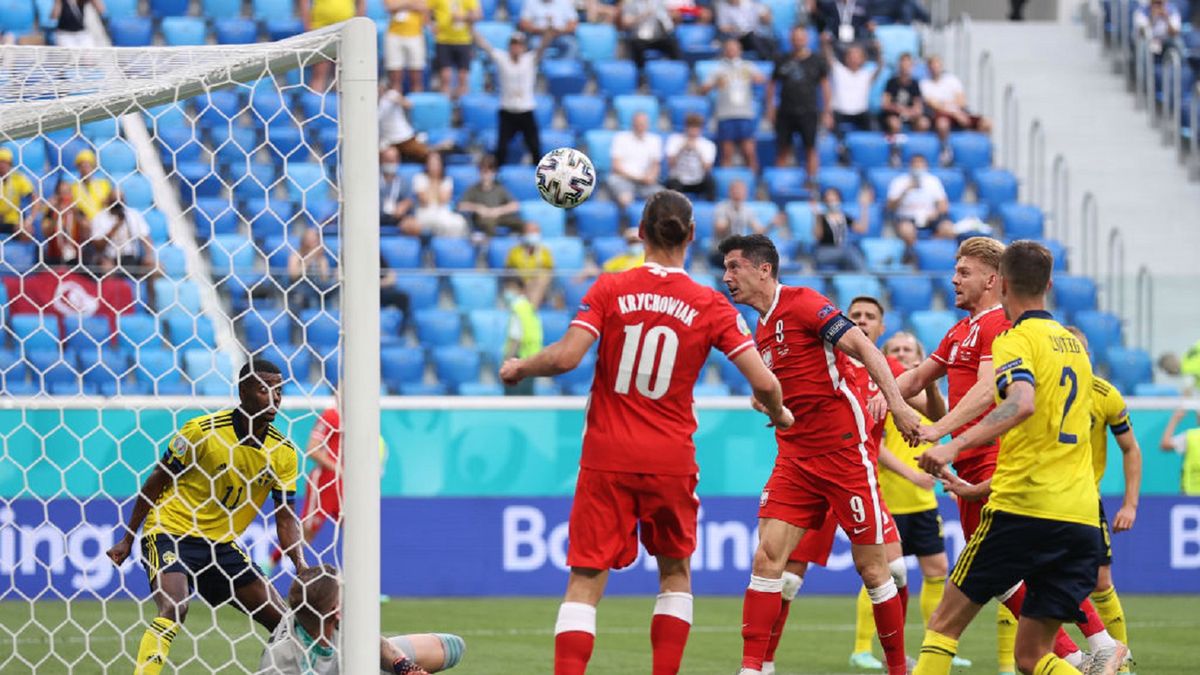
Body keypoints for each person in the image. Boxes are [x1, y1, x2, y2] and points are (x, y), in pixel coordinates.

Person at [499, 190, 791, 675]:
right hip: (670, 458)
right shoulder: (710, 304)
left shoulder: (610, 288)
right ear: (692, 235)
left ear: (640, 232)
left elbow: (568, 357)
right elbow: (764, 381)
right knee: (675, 572)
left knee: (586, 578)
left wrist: (521, 367)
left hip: (606, 455)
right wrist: (778, 412)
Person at [883, 237, 1120, 672]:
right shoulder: (1070, 347)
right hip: (1069, 503)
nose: (953, 278)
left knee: (948, 619)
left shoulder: (1008, 333)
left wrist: (945, 436)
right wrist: (870, 401)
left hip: (1010, 486)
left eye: (964, 272)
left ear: (999, 282)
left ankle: (1096, 646)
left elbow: (1005, 396)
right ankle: (1094, 650)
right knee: (1029, 647)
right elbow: (917, 380)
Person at [718, 234, 922, 675]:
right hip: (795, 457)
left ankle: (897, 669)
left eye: (734, 266)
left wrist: (900, 405)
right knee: (767, 559)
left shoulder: (805, 303)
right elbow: (779, 387)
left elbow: (866, 349)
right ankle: (753, 668)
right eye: (726, 268)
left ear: (763, 269)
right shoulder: (760, 326)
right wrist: (771, 403)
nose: (727, 276)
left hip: (844, 454)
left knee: (874, 570)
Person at [754, 300, 948, 675]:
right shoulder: (820, 358)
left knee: (894, 572)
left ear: (880, 327)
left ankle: (896, 660)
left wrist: (931, 384)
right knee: (788, 579)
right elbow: (763, 390)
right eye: (854, 316)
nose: (860, 321)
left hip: (857, 480)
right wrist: (773, 407)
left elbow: (935, 414)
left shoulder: (889, 372)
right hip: (812, 479)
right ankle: (764, 661)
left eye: (869, 317)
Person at [105, 360, 306, 675]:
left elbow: (285, 519)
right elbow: (156, 482)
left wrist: (302, 567)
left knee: (286, 625)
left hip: (222, 546)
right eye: (264, 388)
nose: (274, 398)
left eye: (279, 390)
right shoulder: (202, 431)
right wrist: (128, 538)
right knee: (174, 608)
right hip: (171, 531)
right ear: (243, 392)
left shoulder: (284, 452)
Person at [1063, 326, 1142, 661]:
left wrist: (1130, 504)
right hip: (1039, 498)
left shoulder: (1105, 394)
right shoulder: (1037, 391)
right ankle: (1013, 664)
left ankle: (1118, 662)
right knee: (1025, 578)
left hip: (1083, 501)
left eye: (1079, 350)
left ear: (1089, 355)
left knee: (1100, 581)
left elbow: (1131, 449)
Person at [257, 564, 466, 674]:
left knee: (450, 647)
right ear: (335, 611)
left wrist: (407, 668)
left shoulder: (328, 613)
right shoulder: (282, 663)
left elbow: (377, 644)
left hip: (355, 663)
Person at [476, 30, 547, 166]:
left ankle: (539, 179)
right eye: (514, 44)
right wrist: (472, 29)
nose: (516, 48)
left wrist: (549, 31)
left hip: (526, 110)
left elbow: (543, 46)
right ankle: (497, 178)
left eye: (519, 45)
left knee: (535, 147)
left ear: (524, 47)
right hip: (507, 111)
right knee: (501, 148)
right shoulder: (503, 58)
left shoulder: (529, 59)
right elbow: (485, 46)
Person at [768, 27, 830, 178]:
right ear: (791, 40)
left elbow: (825, 87)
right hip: (785, 112)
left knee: (810, 149)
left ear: (807, 39)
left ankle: (811, 184)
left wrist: (827, 111)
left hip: (809, 111)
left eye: (801, 37)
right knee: (782, 149)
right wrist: (769, 108)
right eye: (795, 37)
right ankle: (779, 181)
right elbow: (772, 85)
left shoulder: (817, 61)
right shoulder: (782, 59)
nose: (798, 40)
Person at [702, 39, 766, 172]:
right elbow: (704, 89)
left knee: (749, 152)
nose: (731, 51)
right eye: (729, 49)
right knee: (727, 152)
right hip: (725, 114)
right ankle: (726, 181)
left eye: (734, 49)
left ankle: (753, 180)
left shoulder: (747, 66)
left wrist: (754, 78)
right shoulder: (718, 69)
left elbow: (761, 79)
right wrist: (714, 83)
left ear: (740, 50)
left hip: (744, 113)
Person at [920, 56, 992, 149]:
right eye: (932, 66)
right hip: (941, 115)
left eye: (937, 65)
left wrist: (950, 107)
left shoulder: (952, 79)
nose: (935, 68)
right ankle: (945, 150)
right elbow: (935, 105)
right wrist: (954, 113)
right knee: (942, 125)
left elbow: (961, 101)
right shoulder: (924, 84)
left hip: (959, 112)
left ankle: (982, 150)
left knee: (987, 123)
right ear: (928, 68)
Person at [886, 154, 954, 248]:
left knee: (948, 228)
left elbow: (944, 205)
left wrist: (935, 214)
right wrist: (905, 191)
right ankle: (914, 255)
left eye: (920, 163)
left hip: (930, 218)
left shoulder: (933, 181)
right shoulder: (899, 181)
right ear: (910, 165)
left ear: (926, 166)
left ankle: (930, 250)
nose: (918, 166)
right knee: (907, 231)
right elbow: (890, 206)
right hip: (907, 218)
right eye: (915, 164)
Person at [302, 0, 366, 91]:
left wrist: (358, 25)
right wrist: (307, 25)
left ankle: (347, 102)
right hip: (320, 28)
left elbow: (361, 3)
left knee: (348, 74)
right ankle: (316, 103)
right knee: (319, 74)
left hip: (347, 28)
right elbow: (304, 2)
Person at [89, 191, 156, 277]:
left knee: (155, 267)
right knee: (106, 268)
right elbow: (98, 246)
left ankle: (149, 290)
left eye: (120, 201)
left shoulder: (133, 215)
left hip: (131, 257)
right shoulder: (100, 217)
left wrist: (148, 255)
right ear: (108, 201)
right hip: (110, 258)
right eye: (114, 201)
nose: (118, 205)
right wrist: (115, 227)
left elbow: (146, 237)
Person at [606, 111, 664, 209]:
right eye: (638, 123)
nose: (640, 126)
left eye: (643, 123)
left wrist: (651, 177)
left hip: (645, 183)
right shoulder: (620, 138)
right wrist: (639, 178)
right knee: (625, 199)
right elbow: (616, 166)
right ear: (633, 123)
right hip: (623, 179)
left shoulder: (655, 140)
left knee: (664, 199)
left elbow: (656, 165)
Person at [825, 42, 883, 132]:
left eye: (857, 56)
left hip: (861, 114)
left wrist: (879, 51)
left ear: (863, 59)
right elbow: (828, 57)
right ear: (846, 58)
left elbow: (880, 66)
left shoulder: (866, 74)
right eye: (851, 56)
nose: (854, 59)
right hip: (839, 112)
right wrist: (825, 43)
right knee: (828, 123)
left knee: (873, 127)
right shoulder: (838, 70)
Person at [457, 155, 521, 236]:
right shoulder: (473, 189)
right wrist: (478, 208)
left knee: (525, 224)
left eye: (490, 169)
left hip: (499, 217)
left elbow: (515, 205)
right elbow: (461, 206)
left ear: (494, 172)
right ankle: (492, 245)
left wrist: (498, 211)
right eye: (484, 170)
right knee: (489, 223)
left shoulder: (499, 188)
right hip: (483, 219)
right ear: (479, 171)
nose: (487, 173)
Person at [408, 152, 468, 237]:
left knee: (460, 222)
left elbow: (443, 200)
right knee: (443, 224)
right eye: (431, 163)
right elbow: (424, 200)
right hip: (425, 212)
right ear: (427, 164)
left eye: (436, 163)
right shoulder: (420, 178)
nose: (434, 166)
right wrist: (433, 182)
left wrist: (436, 182)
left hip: (443, 211)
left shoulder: (447, 180)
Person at [431, 0, 481, 99]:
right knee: (445, 77)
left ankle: (462, 108)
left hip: (463, 40)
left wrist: (464, 17)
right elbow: (427, 9)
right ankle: (445, 107)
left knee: (463, 77)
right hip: (443, 40)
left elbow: (478, 15)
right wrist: (430, 26)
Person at [811, 186, 867, 271]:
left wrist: (864, 208)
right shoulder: (821, 217)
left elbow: (862, 229)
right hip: (824, 251)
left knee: (853, 253)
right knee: (849, 251)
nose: (832, 202)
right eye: (829, 200)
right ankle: (866, 276)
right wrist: (817, 218)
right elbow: (818, 236)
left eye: (834, 200)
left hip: (842, 250)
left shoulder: (844, 216)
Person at [502, 278, 542, 396]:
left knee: (515, 400)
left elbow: (515, 337)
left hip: (519, 358)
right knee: (528, 399)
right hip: (533, 358)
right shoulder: (529, 307)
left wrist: (507, 361)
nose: (507, 292)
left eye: (510, 288)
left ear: (520, 290)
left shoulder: (517, 308)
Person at [665, 113, 717, 201]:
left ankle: (710, 207)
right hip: (679, 180)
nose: (693, 131)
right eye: (691, 127)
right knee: (672, 184)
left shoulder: (708, 145)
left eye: (696, 128)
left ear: (701, 129)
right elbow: (670, 164)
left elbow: (707, 168)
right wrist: (681, 150)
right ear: (686, 127)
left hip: (698, 181)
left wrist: (698, 151)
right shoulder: (674, 140)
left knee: (711, 182)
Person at [40, 178, 89, 267]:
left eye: (67, 192)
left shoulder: (78, 210)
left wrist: (76, 213)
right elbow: (46, 233)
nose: (65, 196)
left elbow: (86, 231)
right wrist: (56, 214)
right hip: (55, 258)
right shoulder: (50, 212)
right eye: (62, 193)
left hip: (76, 259)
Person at [619, 0, 681, 69]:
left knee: (672, 42)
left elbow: (668, 23)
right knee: (637, 45)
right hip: (639, 38)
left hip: (656, 37)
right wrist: (642, 16)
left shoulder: (659, 3)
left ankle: (676, 70)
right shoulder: (631, 4)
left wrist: (666, 20)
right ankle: (641, 72)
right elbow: (625, 23)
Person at [880, 52, 930, 138]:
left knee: (923, 123)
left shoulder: (915, 84)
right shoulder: (891, 82)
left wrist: (910, 112)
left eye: (908, 64)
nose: (905, 67)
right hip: (894, 114)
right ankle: (895, 148)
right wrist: (898, 109)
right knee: (895, 123)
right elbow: (885, 104)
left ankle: (915, 145)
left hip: (910, 115)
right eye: (903, 64)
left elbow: (918, 106)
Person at [288, 226, 337, 311]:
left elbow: (324, 279)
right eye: (310, 237)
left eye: (315, 237)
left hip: (318, 289)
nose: (312, 240)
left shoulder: (321, 258)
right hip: (301, 288)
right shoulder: (296, 255)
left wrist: (320, 262)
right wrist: (309, 259)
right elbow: (293, 275)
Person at [505, 221, 553, 306]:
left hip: (539, 288)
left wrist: (531, 283)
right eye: (529, 232)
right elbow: (509, 271)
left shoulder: (545, 252)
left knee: (543, 277)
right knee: (511, 289)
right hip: (519, 285)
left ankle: (531, 310)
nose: (532, 234)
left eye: (535, 231)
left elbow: (549, 271)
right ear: (523, 233)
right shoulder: (515, 251)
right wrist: (523, 284)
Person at [384, 0, 428, 93]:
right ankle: (395, 104)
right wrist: (411, 4)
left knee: (416, 76)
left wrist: (401, 4)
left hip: (416, 35)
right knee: (395, 76)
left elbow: (424, 7)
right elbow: (390, 7)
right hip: (394, 35)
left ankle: (416, 103)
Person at [379, 88, 432, 163]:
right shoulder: (368, 105)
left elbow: (409, 105)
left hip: (404, 138)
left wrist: (399, 100)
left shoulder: (391, 94)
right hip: (387, 142)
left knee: (427, 155)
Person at [1160, 407, 1200, 495]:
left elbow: (1165, 444)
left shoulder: (1190, 436)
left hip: (1190, 496)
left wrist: (1174, 420)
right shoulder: (1190, 436)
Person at [0, 147, 36, 237]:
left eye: (5, 162)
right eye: (0, 162)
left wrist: (29, 220)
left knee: (27, 231)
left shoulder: (18, 178)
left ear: (10, 164)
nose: (2, 166)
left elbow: (35, 199)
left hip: (12, 221)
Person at [379, 147, 416, 230]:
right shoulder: (374, 182)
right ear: (381, 160)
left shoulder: (404, 183)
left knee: (413, 224)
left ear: (398, 161)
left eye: (392, 161)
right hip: (375, 218)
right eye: (387, 160)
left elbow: (409, 200)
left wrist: (405, 205)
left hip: (397, 220)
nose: (390, 163)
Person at [71, 149, 112, 220]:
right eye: (82, 166)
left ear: (93, 167)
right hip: (83, 224)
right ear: (78, 168)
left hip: (102, 222)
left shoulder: (104, 184)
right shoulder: (73, 188)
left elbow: (109, 203)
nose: (85, 169)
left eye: (88, 166)